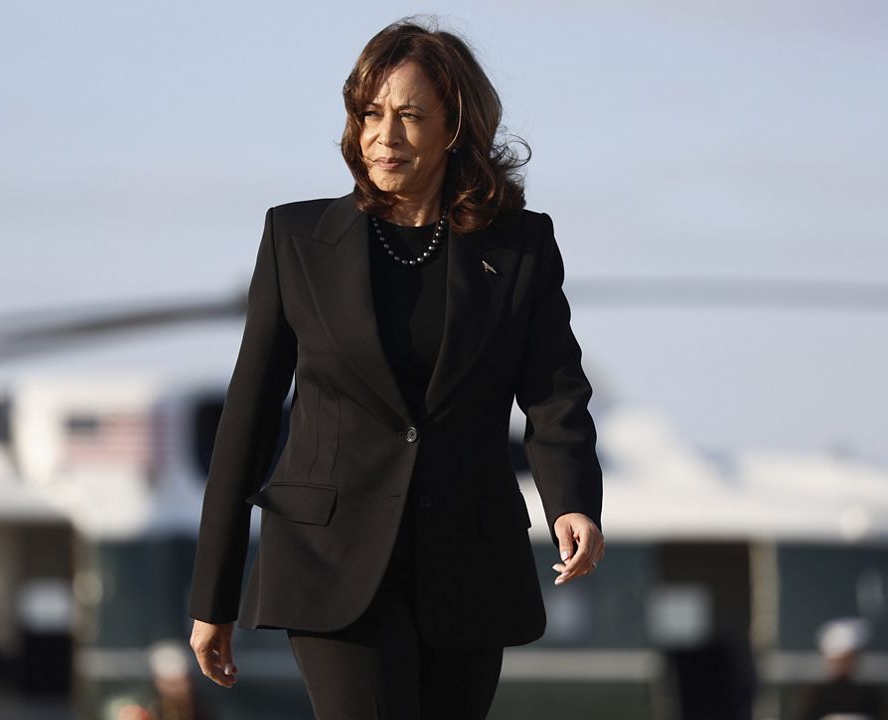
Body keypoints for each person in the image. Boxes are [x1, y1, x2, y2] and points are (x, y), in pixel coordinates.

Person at [188, 17, 605, 718]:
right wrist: (213, 597)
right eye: (371, 113)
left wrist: (572, 499)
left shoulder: (521, 247)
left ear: (454, 129)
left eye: (410, 115)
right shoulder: (296, 240)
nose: (385, 135)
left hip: (468, 566)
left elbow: (555, 388)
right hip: (332, 563)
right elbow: (249, 422)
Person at [798, 617, 884, 720]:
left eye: (847, 659)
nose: (841, 664)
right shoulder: (819, 694)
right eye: (838, 660)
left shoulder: (869, 693)